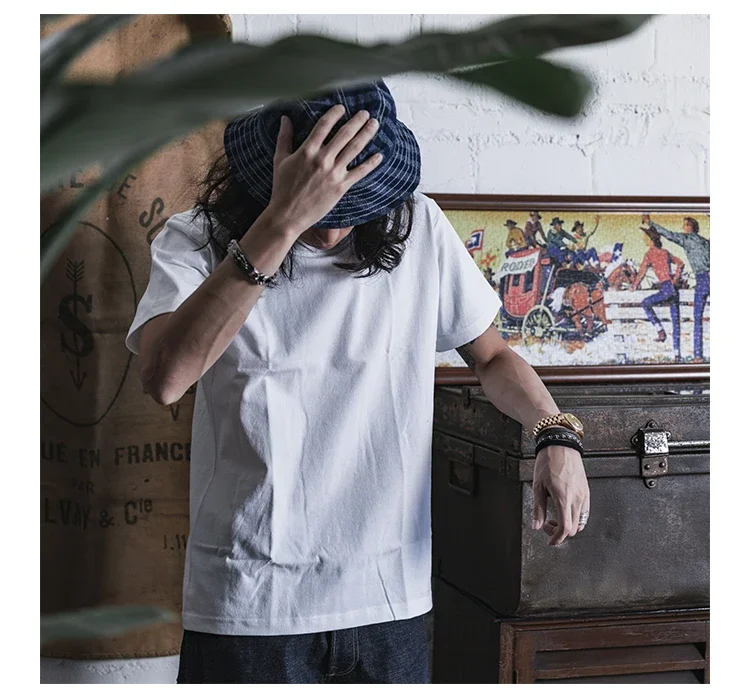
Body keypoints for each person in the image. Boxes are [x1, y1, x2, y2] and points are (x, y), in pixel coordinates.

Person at [125, 80, 590, 685]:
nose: (331, 229)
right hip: (249, 603)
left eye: (352, 201)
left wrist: (556, 432)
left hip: (388, 600)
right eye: (321, 203)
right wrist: (282, 222)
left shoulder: (417, 227)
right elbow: (165, 377)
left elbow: (492, 356)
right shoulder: (194, 238)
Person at [643, 214, 710, 363]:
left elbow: (667, 234)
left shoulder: (686, 239)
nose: (682, 227)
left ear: (690, 227)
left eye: (684, 225)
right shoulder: (705, 242)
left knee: (697, 318)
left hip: (702, 279)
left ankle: (698, 356)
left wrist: (650, 222)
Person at [631, 227, 685, 361]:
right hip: (672, 288)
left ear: (651, 239)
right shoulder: (665, 252)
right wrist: (675, 279)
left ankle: (660, 330)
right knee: (675, 323)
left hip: (666, 288)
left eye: (645, 237)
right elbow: (681, 263)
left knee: (645, 303)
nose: (643, 239)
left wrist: (634, 285)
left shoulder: (649, 254)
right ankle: (677, 355)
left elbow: (642, 272)